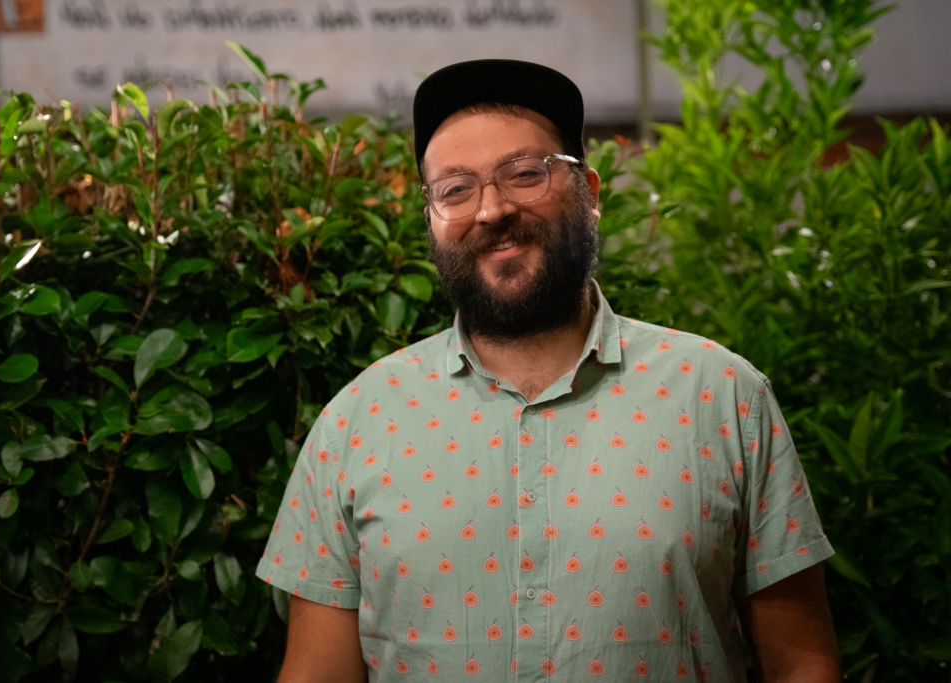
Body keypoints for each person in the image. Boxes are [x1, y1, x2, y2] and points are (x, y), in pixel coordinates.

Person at [256, 59, 842, 682]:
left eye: (524, 174)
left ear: (590, 192)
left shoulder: (723, 396)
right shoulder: (355, 424)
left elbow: (801, 664)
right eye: (455, 189)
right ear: (430, 218)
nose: (491, 210)